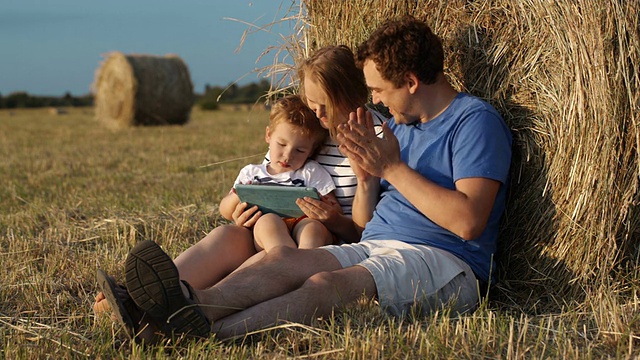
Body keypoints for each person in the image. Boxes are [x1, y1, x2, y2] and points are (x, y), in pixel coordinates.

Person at [108, 15, 513, 342]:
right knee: (285, 261)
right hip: (375, 245)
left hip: (444, 263)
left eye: (379, 89)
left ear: (410, 81)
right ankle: (186, 305)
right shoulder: (398, 130)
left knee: (323, 285)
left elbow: (468, 221)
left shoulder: (473, 122)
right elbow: (365, 223)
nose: (373, 100)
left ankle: (204, 334)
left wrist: (391, 168)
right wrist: (370, 179)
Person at [93, 45, 384, 320]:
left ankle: (190, 304)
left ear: (351, 94)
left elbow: (367, 232)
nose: (316, 113)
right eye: (310, 102)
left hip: (322, 243)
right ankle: (136, 298)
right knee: (228, 235)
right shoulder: (308, 130)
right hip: (274, 228)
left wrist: (334, 220)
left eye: (325, 105)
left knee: (281, 253)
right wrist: (239, 212)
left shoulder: (378, 136)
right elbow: (270, 176)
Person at [220, 94, 337, 252]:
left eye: (300, 150)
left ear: (311, 151)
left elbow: (335, 209)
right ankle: (283, 258)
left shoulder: (311, 171)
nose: (288, 155)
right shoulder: (251, 173)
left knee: (312, 228)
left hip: (301, 221)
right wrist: (238, 195)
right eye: (281, 144)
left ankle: (306, 261)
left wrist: (326, 207)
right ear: (268, 135)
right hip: (266, 226)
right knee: (268, 222)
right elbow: (225, 211)